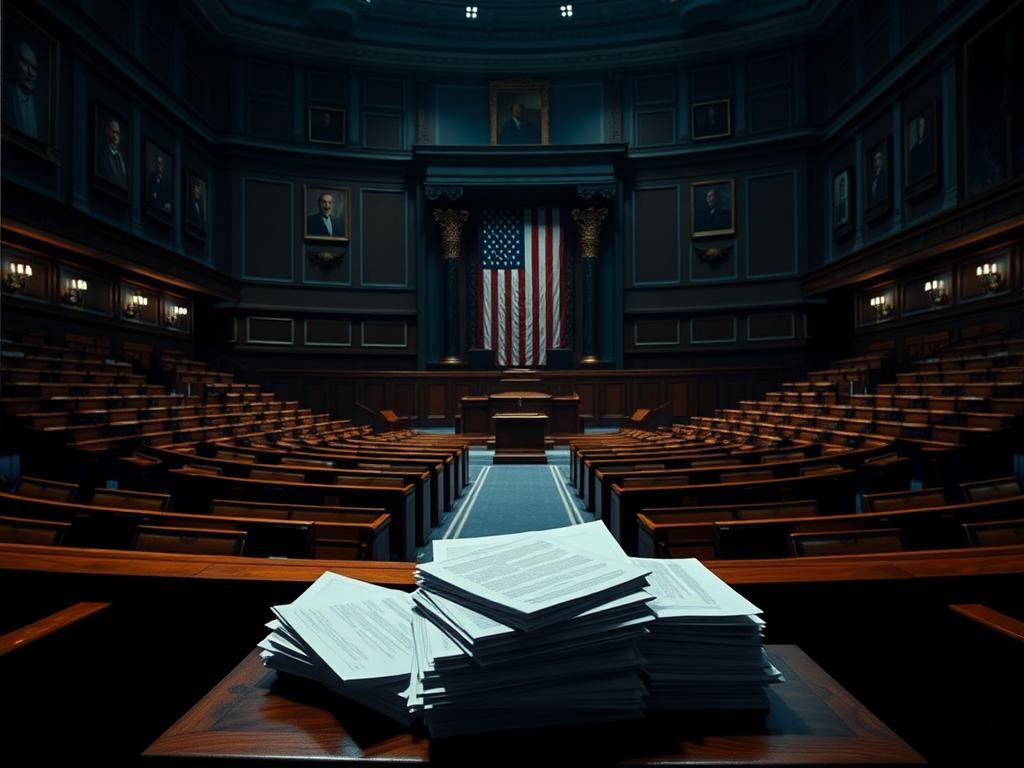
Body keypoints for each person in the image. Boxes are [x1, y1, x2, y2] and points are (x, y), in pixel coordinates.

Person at [3, 40, 40, 139]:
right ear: (14, 61)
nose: (31, 73)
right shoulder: (4, 94)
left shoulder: (40, 108)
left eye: (34, 68)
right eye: (25, 62)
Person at [97, 117, 128, 189]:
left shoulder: (122, 158)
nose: (115, 136)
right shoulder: (102, 153)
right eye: (113, 132)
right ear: (107, 131)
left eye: (118, 133)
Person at [907, 113, 933, 183]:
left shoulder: (929, 146)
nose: (920, 129)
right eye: (919, 126)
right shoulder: (913, 150)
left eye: (922, 126)